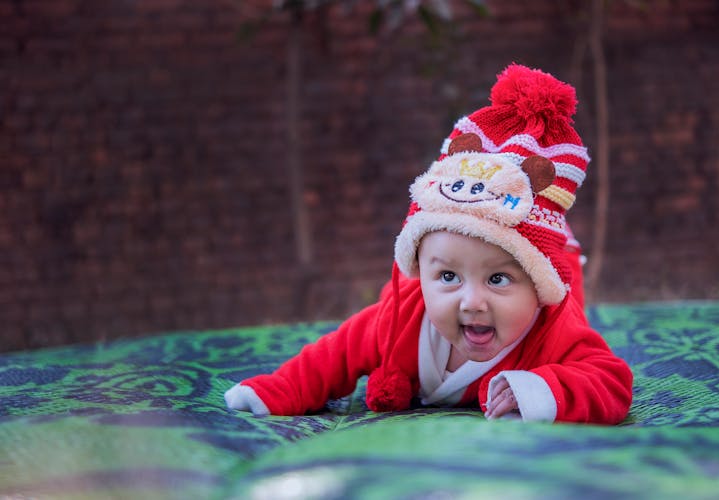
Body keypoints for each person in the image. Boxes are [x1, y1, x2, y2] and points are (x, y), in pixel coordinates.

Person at [225, 64, 632, 423]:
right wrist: (276, 390)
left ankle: (564, 255)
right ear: (420, 271)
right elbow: (334, 356)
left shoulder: (549, 332)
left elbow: (611, 381)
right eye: (449, 275)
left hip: (551, 274)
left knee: (565, 284)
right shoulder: (401, 319)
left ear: (535, 290)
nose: (472, 302)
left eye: (499, 280)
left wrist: (543, 388)